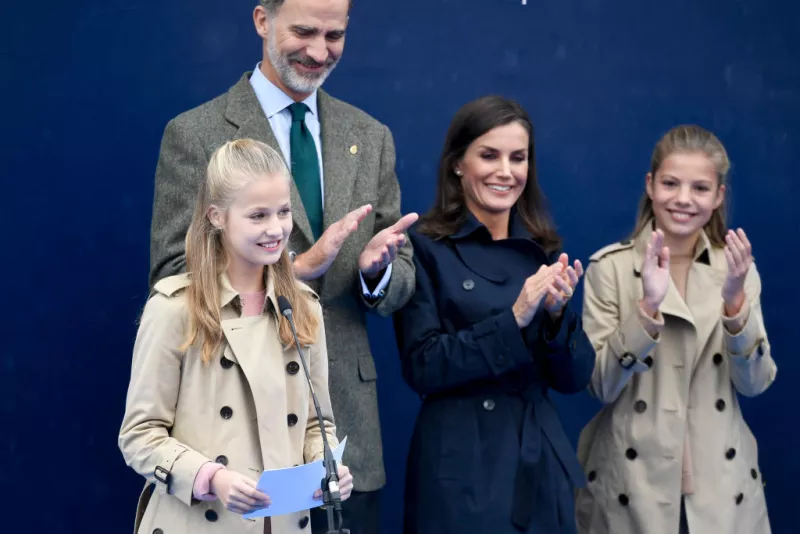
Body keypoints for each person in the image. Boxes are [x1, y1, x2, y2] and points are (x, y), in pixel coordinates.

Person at [147, 1, 417, 531]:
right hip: (231, 449)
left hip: (343, 443)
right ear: (261, 21)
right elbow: (172, 270)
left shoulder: (372, 135)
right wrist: (294, 268)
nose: (319, 51)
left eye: (334, 34)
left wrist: (375, 273)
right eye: (304, 30)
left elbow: (402, 273)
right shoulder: (195, 133)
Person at [120, 139, 353, 534]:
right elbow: (139, 434)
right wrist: (210, 477)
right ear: (217, 216)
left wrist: (329, 466)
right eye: (257, 215)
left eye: (283, 212)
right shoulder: (174, 308)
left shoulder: (303, 308)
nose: (275, 228)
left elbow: (317, 425)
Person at [393, 95, 596, 534]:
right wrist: (515, 317)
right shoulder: (424, 246)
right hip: (462, 468)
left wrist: (557, 319)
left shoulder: (541, 250)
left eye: (518, 158)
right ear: (457, 164)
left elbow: (574, 379)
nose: (506, 172)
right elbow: (422, 365)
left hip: (537, 461)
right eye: (489, 155)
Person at [575, 125, 776, 534]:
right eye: (670, 183)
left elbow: (755, 383)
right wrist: (647, 306)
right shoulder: (609, 269)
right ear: (651, 186)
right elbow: (599, 385)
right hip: (631, 487)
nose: (684, 199)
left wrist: (735, 303)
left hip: (720, 486)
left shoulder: (737, 270)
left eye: (700, 188)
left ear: (718, 196)